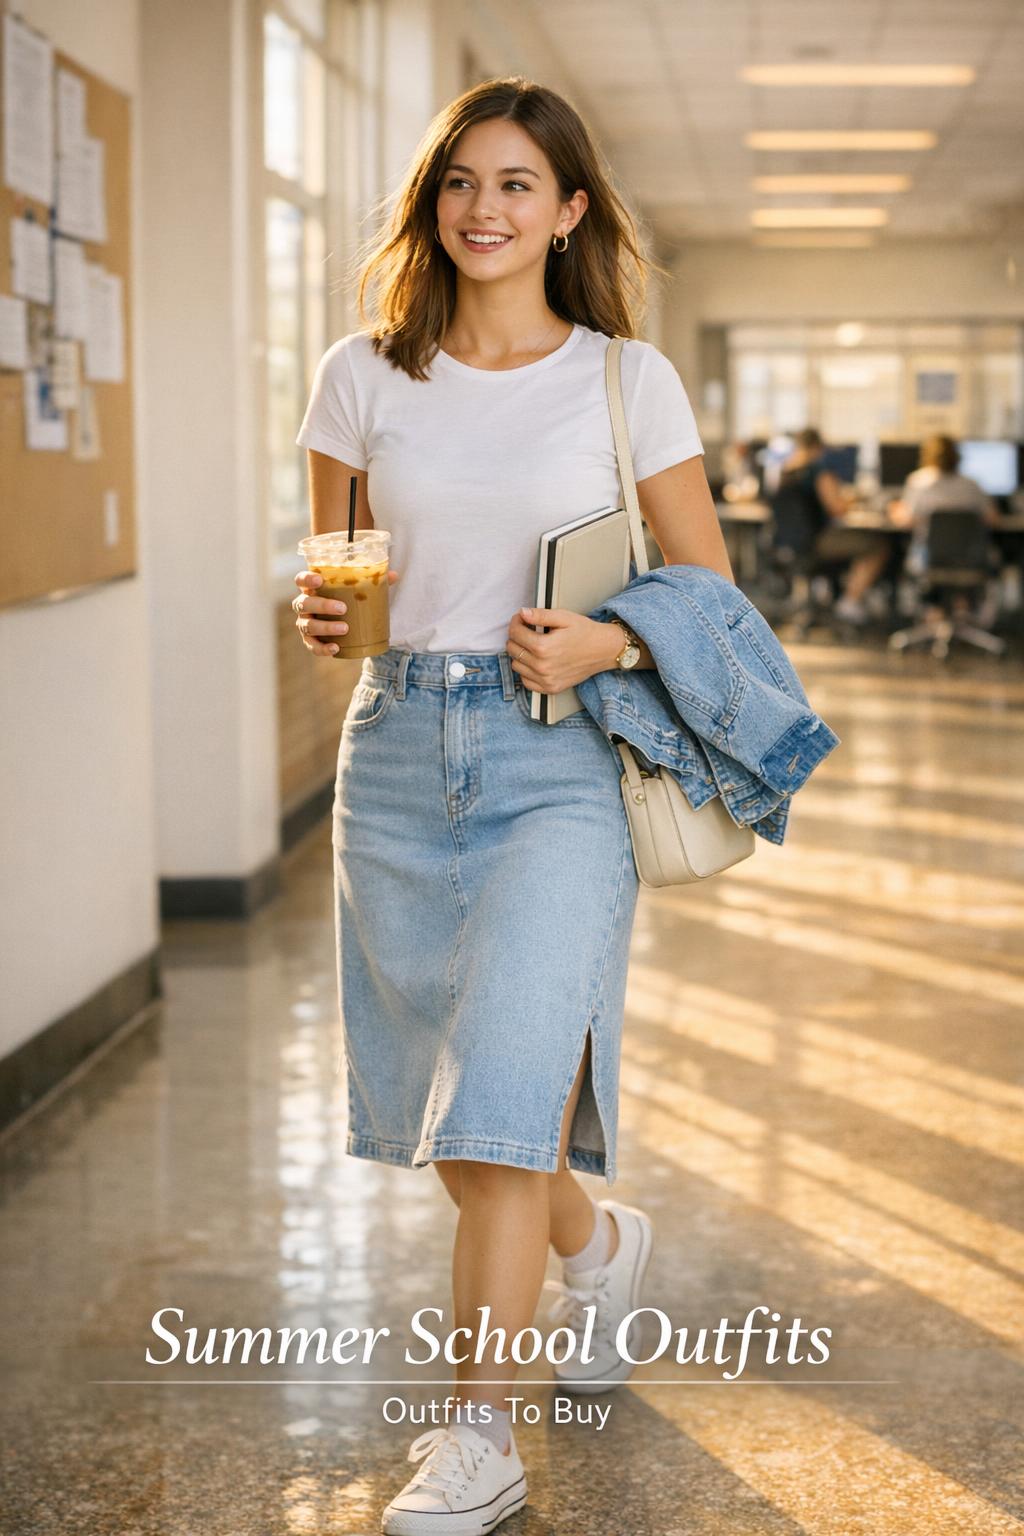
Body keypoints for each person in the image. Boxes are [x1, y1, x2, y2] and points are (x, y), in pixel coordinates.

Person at [291, 75, 733, 1536]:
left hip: (557, 761)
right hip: (399, 748)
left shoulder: (625, 376)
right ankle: (602, 1246)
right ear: (436, 200)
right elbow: (344, 578)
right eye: (462, 182)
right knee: (459, 1119)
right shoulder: (361, 372)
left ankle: (479, 1441)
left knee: (494, 1121)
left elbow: (707, 590)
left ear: (569, 212)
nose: (484, 209)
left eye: (517, 186)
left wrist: (610, 639)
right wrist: (320, 614)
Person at [770, 427, 890, 625]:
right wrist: (851, 500)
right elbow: (838, 509)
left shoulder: (783, 472)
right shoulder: (818, 471)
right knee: (878, 544)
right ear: (819, 448)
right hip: (816, 542)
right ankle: (850, 601)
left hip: (789, 544)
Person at [891, 434, 1002, 628]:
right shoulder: (972, 485)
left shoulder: (919, 482)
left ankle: (937, 612)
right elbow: (992, 518)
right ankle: (959, 609)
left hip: (930, 559)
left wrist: (894, 510)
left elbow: (906, 521)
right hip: (971, 559)